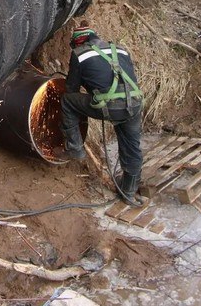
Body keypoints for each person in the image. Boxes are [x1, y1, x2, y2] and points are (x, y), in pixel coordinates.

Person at [60, 23, 144, 206]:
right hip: (134, 104)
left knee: (67, 101)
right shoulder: (120, 49)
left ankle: (75, 148)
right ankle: (128, 192)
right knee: (132, 147)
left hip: (109, 106)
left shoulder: (79, 54)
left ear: (78, 42)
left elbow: (71, 88)